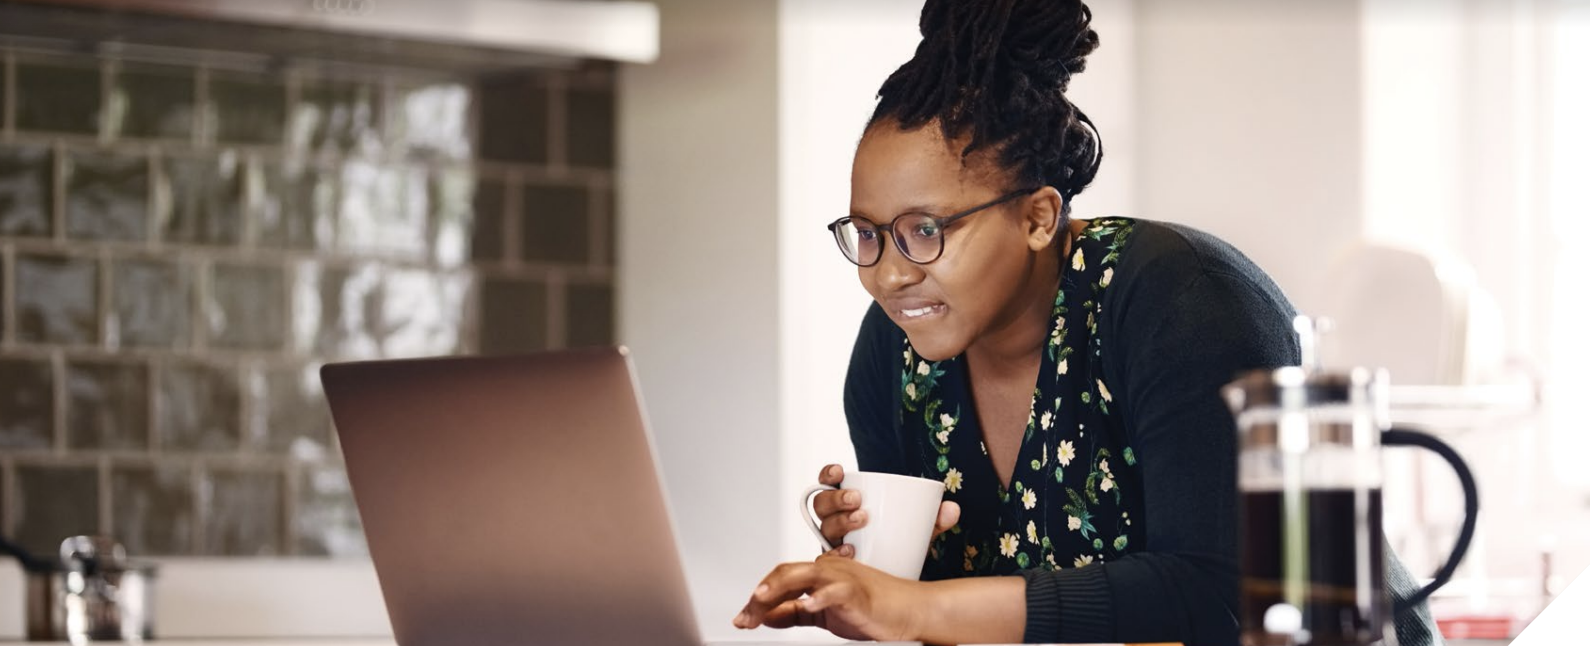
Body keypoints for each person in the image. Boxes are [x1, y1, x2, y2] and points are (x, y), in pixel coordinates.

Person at [730, 1, 1443, 645]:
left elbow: (1224, 593)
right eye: (868, 233)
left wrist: (915, 608)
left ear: (1038, 216)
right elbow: (934, 614)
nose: (886, 274)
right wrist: (870, 580)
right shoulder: (893, 352)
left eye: (924, 230)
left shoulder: (1181, 301)